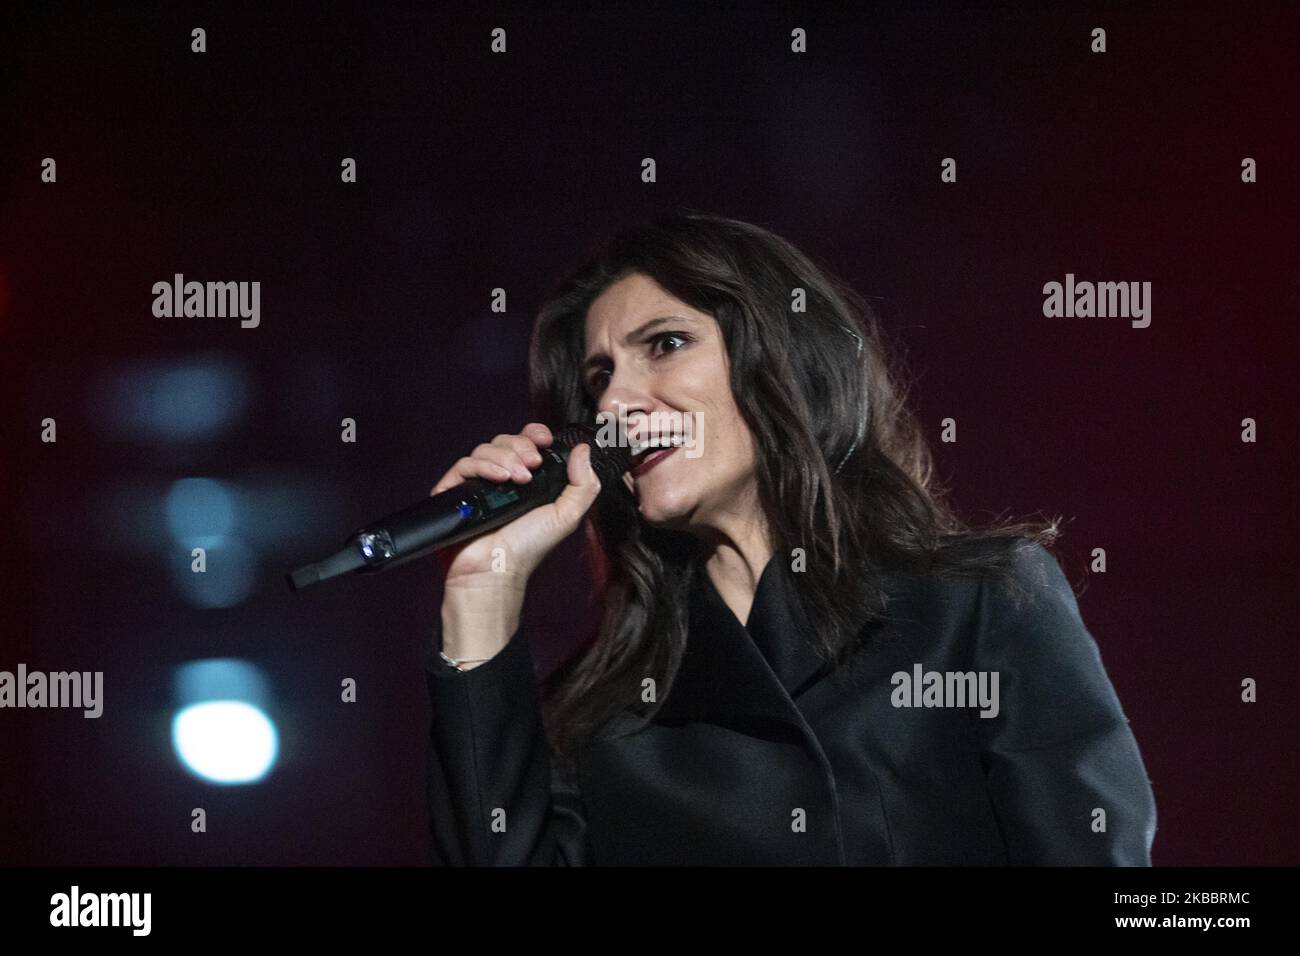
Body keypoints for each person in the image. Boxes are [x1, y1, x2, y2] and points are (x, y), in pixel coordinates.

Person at [423, 210, 1158, 865]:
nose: (615, 401)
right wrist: (482, 588)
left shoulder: (971, 610)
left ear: (779, 357)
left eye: (667, 343)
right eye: (599, 378)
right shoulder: (603, 715)